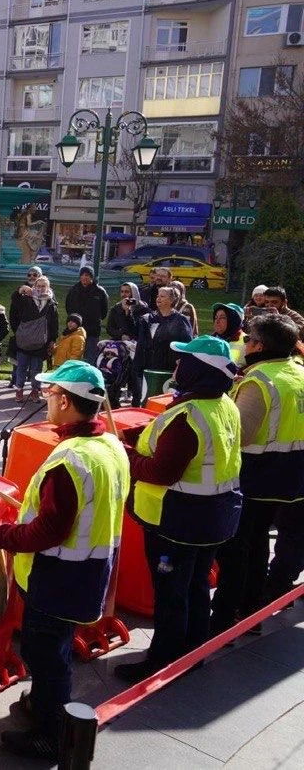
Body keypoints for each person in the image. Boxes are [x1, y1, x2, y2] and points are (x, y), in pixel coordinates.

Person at [0, 361, 129, 759]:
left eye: (50, 394)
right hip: (88, 571)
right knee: (55, 648)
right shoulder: (110, 445)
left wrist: (2, 535)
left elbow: (50, 530)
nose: (47, 400)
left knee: (45, 654)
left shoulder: (71, 461)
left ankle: (52, 732)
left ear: (65, 401)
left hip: (57, 577)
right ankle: (46, 704)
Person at [115, 336, 242, 683]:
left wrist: (126, 456)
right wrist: (141, 436)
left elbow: (161, 471)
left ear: (198, 370)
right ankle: (194, 652)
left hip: (178, 522)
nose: (176, 366)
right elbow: (185, 444)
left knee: (171, 594)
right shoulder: (222, 404)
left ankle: (162, 660)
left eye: (183, 361)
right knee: (197, 585)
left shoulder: (189, 416)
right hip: (213, 518)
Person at [211, 314, 304, 633]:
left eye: (248, 339)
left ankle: (236, 611)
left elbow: (240, 433)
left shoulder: (259, 380)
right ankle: (252, 608)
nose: (244, 344)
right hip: (294, 475)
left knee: (241, 550)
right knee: (261, 539)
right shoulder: (298, 372)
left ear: (259, 345)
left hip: (258, 476)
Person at [132, 286, 193, 405]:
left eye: (162, 296)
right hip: (147, 368)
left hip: (168, 370)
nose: (158, 298)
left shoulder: (180, 321)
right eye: (158, 296)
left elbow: (187, 346)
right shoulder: (147, 319)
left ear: (172, 300)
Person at [10, 275, 60, 402]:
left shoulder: (51, 304)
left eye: (44, 286)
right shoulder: (27, 299)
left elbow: (54, 323)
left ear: (48, 287)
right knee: (21, 367)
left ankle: (34, 391)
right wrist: (20, 289)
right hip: (24, 340)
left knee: (36, 369)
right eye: (38, 286)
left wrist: (52, 339)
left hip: (40, 343)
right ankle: (19, 390)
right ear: (34, 286)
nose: (41, 288)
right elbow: (14, 301)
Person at [65, 266, 110, 355]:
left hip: (92, 331)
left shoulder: (100, 292)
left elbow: (104, 312)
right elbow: (68, 307)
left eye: (87, 275)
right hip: (75, 329)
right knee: (74, 356)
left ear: (91, 277)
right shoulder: (73, 290)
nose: (84, 277)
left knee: (90, 358)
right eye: (82, 275)